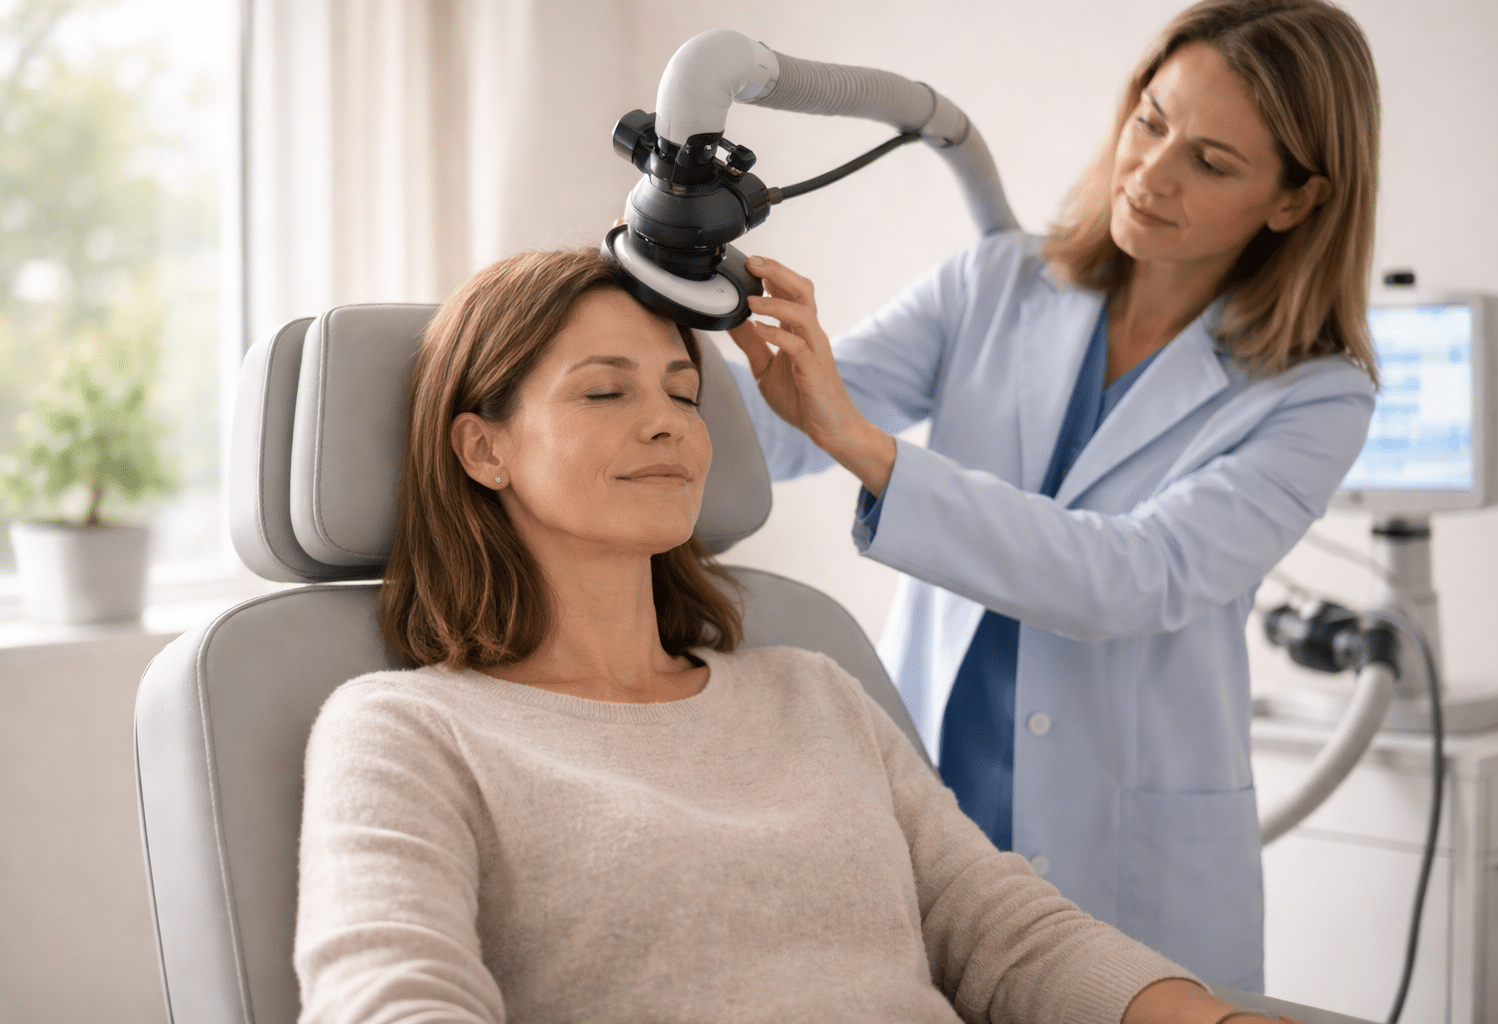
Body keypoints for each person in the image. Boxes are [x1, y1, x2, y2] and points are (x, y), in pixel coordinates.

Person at [292, 248, 1289, 1024]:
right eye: (605, 390)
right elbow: (392, 998)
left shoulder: (814, 690)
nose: (667, 423)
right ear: (484, 447)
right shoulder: (407, 730)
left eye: (684, 393)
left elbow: (1010, 935)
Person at [723, 0, 1379, 992]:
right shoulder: (994, 284)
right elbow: (778, 422)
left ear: (1295, 200)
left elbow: (1130, 576)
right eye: (1150, 121)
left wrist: (862, 444)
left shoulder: (1316, 395)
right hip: (936, 807)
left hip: (1131, 865)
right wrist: (648, 343)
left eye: (1211, 162)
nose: (1150, 174)